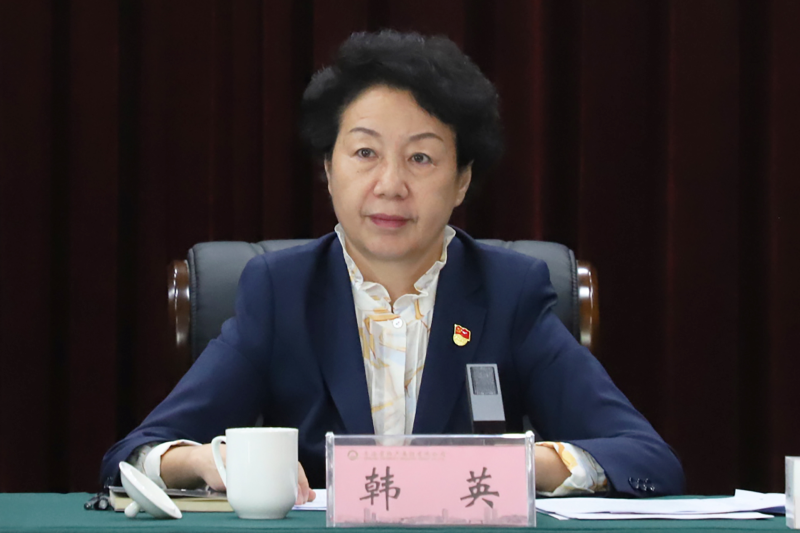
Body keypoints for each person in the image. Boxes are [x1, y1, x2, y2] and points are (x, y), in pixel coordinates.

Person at [100, 30, 684, 502]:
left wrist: (520, 465)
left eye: (421, 157)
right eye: (364, 152)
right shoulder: (281, 291)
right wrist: (207, 459)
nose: (390, 184)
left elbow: (647, 459)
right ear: (328, 170)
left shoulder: (508, 292)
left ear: (462, 181)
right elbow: (134, 455)